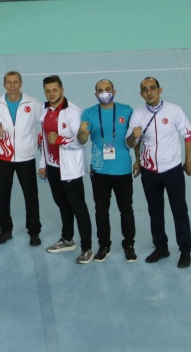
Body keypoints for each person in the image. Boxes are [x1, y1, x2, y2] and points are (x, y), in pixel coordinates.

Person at [125, 77, 191, 268]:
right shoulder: (137, 114)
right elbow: (131, 143)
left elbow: (189, 134)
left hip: (172, 170)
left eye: (152, 88)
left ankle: (185, 250)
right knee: (155, 211)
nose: (149, 92)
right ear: (141, 93)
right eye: (145, 89)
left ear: (160, 90)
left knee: (179, 210)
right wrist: (134, 141)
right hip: (149, 172)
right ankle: (161, 247)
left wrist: (189, 161)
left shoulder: (174, 110)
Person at [78, 79, 139, 262]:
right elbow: (82, 140)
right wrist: (82, 132)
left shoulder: (126, 111)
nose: (104, 92)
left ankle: (129, 245)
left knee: (126, 210)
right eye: (100, 90)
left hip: (122, 170)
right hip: (100, 171)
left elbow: (133, 140)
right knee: (101, 211)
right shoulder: (88, 113)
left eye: (107, 89)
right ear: (96, 94)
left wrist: (138, 160)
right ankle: (104, 245)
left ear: (114, 91)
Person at [38, 75, 93, 264]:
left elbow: (81, 141)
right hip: (53, 167)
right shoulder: (45, 111)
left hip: (70, 170)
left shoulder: (74, 112)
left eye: (55, 90)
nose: (51, 94)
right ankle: (67, 239)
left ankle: (87, 248)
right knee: (63, 205)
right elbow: (45, 140)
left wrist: (60, 140)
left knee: (79, 208)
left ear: (62, 90)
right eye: (47, 91)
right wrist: (43, 164)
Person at [0, 71, 42, 246]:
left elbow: (45, 122)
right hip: (4, 158)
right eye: (9, 82)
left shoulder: (33, 104)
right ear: (4, 84)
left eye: (15, 82)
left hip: (26, 157)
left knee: (31, 196)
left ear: (21, 83)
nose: (12, 85)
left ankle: (34, 232)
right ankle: (5, 230)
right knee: (4, 195)